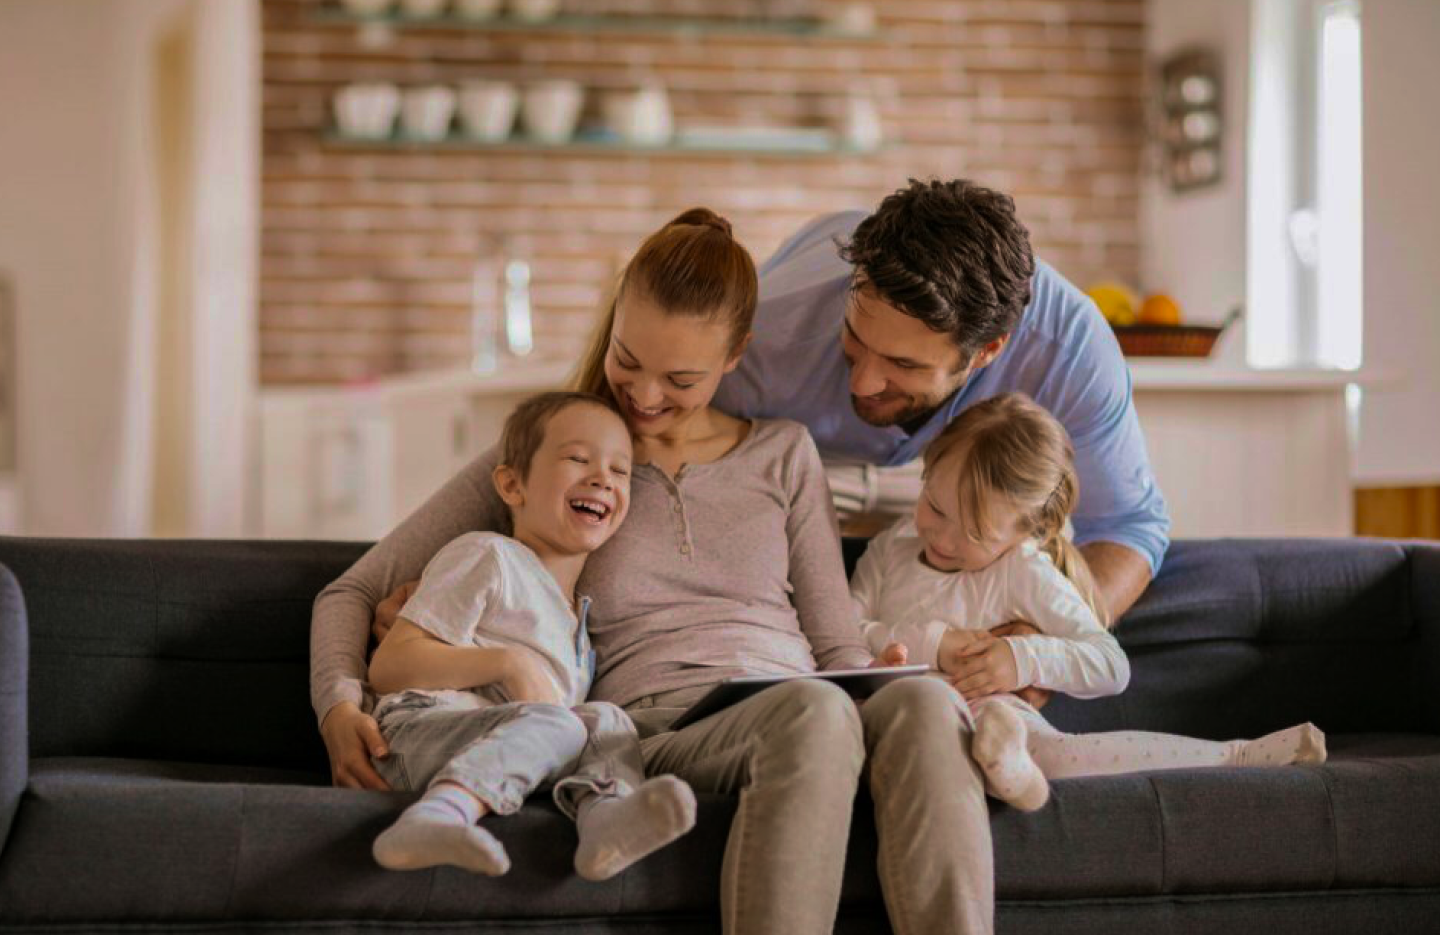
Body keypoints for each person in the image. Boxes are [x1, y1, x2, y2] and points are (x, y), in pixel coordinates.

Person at [313, 208, 992, 934]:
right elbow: (353, 587)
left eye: (680, 378)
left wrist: (875, 670)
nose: (642, 396)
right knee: (816, 710)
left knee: (923, 704)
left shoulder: (785, 454)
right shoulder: (565, 457)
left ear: (736, 356)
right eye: (626, 360)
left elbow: (833, 641)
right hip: (668, 724)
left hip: (799, 692)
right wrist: (337, 706)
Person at [712, 178, 1171, 626]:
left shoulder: (1068, 349)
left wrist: (1039, 645)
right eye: (853, 337)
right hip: (792, 452)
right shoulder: (761, 336)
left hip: (938, 482)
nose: (863, 383)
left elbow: (1126, 526)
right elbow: (651, 401)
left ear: (989, 350)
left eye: (904, 364)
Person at [851, 392, 1326, 812]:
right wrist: (933, 644)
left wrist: (1020, 658)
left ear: (1026, 532)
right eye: (934, 505)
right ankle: (1008, 772)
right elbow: (842, 628)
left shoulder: (1022, 567)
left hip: (988, 713)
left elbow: (1108, 664)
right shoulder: (892, 547)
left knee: (1055, 750)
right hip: (903, 717)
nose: (941, 534)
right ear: (927, 470)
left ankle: (1236, 756)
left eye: (975, 532)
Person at [365, 391, 697, 880]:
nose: (602, 477)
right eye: (578, 459)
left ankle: (604, 820)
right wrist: (508, 664)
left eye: (620, 470)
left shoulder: (576, 624)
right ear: (513, 485)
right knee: (562, 725)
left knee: (606, 718)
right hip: (416, 735)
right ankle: (437, 814)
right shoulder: (488, 556)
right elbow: (390, 666)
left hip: (506, 746)